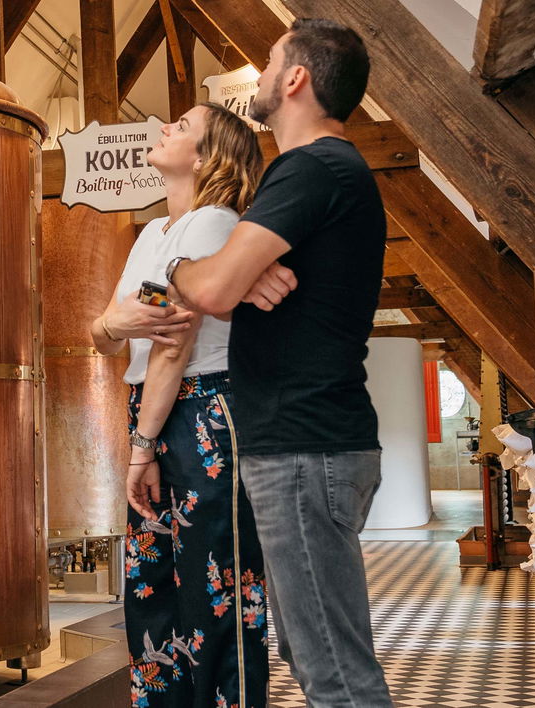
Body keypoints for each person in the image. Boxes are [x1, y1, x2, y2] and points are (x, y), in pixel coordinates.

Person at [163, 19, 394, 707]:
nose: (258, 78)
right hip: (308, 445)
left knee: (336, 674)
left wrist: (181, 265)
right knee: (311, 651)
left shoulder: (311, 165)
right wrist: (238, 277)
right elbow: (234, 294)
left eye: (267, 64)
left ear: (295, 79)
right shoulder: (326, 173)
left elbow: (209, 290)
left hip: (304, 445)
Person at [90, 103, 266, 708]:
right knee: (151, 591)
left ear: (208, 155)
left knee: (212, 594)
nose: (166, 126)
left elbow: (173, 346)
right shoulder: (152, 233)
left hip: (203, 411)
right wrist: (110, 322)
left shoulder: (214, 223)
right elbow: (107, 334)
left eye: (183, 126)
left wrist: (142, 446)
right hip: (154, 411)